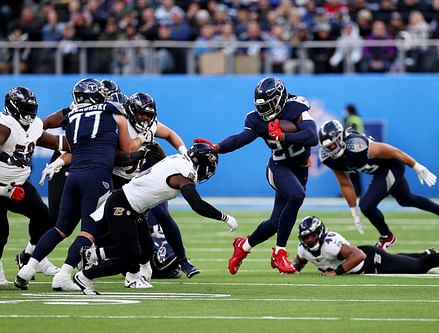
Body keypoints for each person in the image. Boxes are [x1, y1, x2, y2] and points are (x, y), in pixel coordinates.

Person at [15, 78, 147, 291]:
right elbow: (126, 150)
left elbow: (73, 149)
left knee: (60, 227)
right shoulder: (114, 112)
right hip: (97, 178)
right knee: (89, 231)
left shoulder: (72, 118)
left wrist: (58, 162)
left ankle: (28, 268)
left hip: (73, 175)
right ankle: (64, 275)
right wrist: (142, 139)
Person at [72, 143, 238, 294]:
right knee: (130, 257)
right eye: (209, 166)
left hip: (134, 207)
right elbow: (197, 204)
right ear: (201, 162)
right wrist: (224, 217)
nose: (208, 170)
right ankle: (85, 276)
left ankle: (120, 269)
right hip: (122, 206)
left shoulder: (178, 160)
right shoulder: (184, 174)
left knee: (146, 248)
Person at [196, 76, 318, 274]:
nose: (264, 110)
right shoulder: (255, 119)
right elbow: (240, 139)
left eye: (268, 104)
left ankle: (243, 246)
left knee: (274, 223)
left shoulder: (297, 107)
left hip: (300, 169)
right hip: (278, 167)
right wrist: (217, 147)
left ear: (280, 98)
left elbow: (312, 136)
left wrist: (284, 136)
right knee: (297, 196)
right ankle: (280, 253)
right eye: (261, 105)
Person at [318, 119, 439, 249]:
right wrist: (353, 211)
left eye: (333, 144)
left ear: (341, 138)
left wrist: (417, 167)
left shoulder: (357, 145)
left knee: (367, 204)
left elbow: (394, 151)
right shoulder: (328, 158)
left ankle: (387, 236)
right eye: (328, 147)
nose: (331, 149)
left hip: (391, 167)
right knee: (407, 199)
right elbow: (345, 183)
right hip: (380, 172)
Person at [0, 86, 71, 286]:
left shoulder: (33, 126)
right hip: (1, 186)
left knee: (43, 215)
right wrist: (4, 190)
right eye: (24, 107)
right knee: (1, 230)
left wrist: (86, 141)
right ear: (12, 107)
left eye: (32, 108)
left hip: (19, 184)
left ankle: (33, 254)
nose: (29, 113)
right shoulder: (4, 126)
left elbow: (53, 135)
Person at [293, 216, 439, 275]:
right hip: (367, 262)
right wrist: (292, 268)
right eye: (306, 237)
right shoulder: (303, 249)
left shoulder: (330, 243)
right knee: (403, 260)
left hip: (370, 260)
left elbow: (358, 256)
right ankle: (424, 253)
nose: (309, 240)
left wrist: (336, 272)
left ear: (320, 233)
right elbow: (300, 261)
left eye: (312, 236)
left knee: (418, 268)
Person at [343, 104, 365, 196]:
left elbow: (350, 132)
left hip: (353, 147)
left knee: (352, 171)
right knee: (356, 171)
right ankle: (358, 191)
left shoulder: (351, 119)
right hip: (361, 145)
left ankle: (353, 192)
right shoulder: (358, 118)